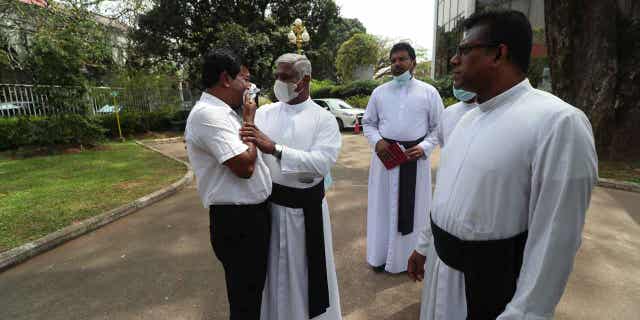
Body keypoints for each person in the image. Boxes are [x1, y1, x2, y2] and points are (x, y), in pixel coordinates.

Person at [407, 10, 598, 320]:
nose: (454, 60)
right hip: (442, 275)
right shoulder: (466, 119)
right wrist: (425, 245)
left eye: (465, 50)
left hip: (492, 290)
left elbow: (555, 239)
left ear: (498, 53)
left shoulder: (558, 122)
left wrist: (525, 312)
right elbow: (445, 195)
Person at [239, 53, 343, 320]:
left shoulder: (323, 119)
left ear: (304, 80)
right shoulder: (264, 113)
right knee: (274, 275)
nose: (278, 81)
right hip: (271, 209)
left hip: (307, 211)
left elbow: (321, 163)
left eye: (285, 77)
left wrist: (275, 149)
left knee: (305, 273)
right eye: (277, 75)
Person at [184, 49, 272, 320]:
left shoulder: (224, 112)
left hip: (251, 217)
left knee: (253, 294)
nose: (247, 87)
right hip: (238, 222)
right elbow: (245, 167)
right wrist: (249, 120)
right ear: (225, 79)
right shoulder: (208, 115)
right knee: (245, 302)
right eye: (244, 80)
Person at [361, 42, 444, 273]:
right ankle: (379, 257)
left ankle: (408, 260)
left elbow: (439, 127)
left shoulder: (429, 92)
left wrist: (425, 146)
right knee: (382, 207)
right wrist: (377, 141)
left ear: (413, 62)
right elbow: (368, 123)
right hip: (385, 158)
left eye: (402, 59)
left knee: (414, 210)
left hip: (413, 160)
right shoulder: (379, 92)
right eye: (393, 60)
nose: (397, 64)